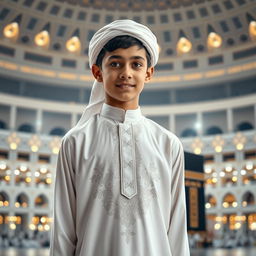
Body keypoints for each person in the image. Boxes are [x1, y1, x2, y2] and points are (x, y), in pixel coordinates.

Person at [50, 19, 190, 256]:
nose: (126, 73)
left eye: (136, 64)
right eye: (115, 63)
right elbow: (63, 231)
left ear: (148, 73)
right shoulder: (75, 142)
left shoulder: (168, 144)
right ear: (97, 72)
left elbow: (177, 230)